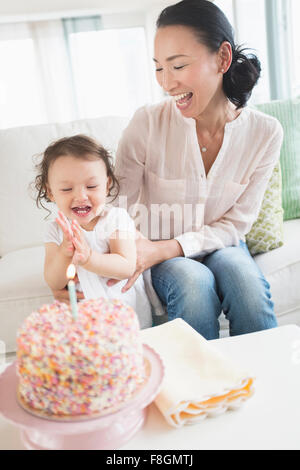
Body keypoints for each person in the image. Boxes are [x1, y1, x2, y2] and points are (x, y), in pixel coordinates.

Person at [52, 0, 283, 339]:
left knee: (246, 282)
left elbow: (236, 223)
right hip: (152, 246)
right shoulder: (147, 123)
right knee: (193, 283)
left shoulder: (265, 133)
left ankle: (266, 383)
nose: (166, 82)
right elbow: (116, 207)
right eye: (159, 68)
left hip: (221, 245)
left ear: (222, 58)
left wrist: (169, 247)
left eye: (177, 66)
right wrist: (84, 274)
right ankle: (195, 390)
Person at [34, 134, 152, 328]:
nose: (80, 196)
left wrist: (89, 258)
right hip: (85, 323)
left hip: (124, 317)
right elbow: (54, 281)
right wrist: (65, 252)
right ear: (50, 192)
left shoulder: (115, 219)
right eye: (66, 189)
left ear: (107, 185)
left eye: (91, 186)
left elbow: (126, 266)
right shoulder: (55, 231)